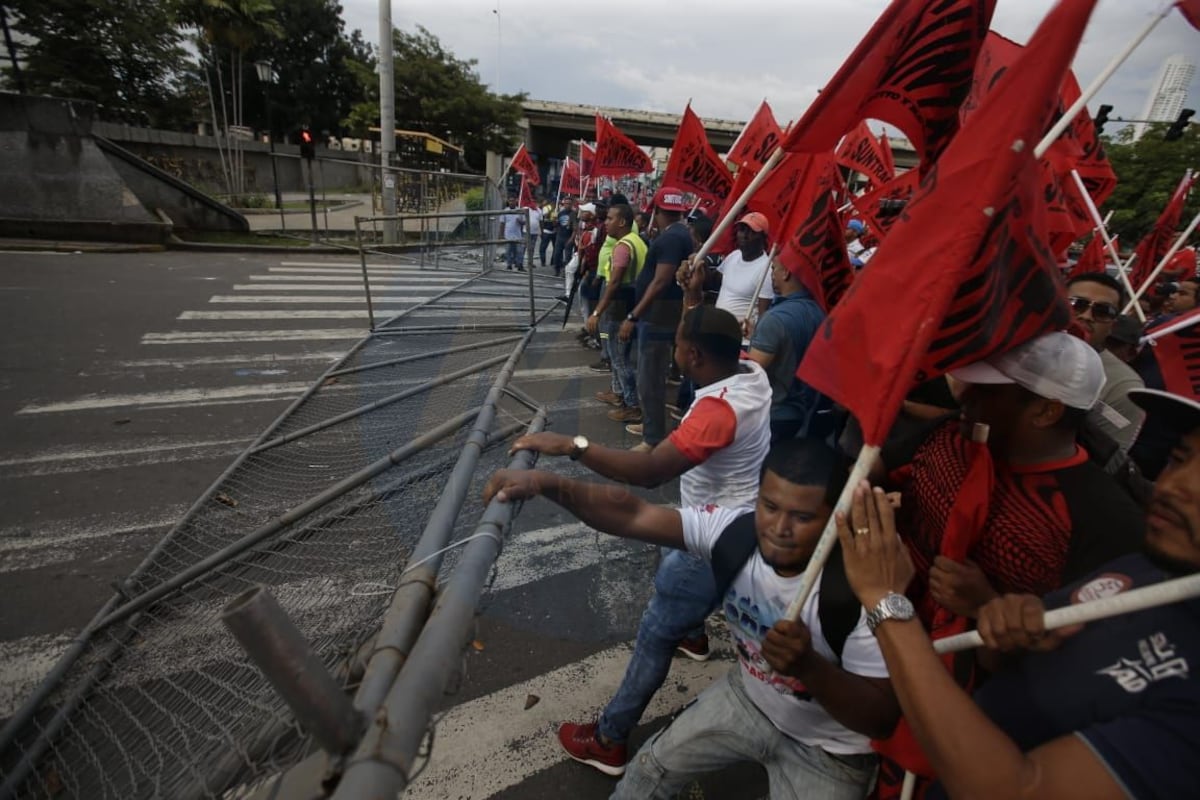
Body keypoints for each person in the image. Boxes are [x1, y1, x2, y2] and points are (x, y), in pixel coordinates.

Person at [836, 386, 1200, 799]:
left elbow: (1012, 790)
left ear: (1047, 410)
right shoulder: (1154, 564)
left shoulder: (1112, 522)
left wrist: (885, 600)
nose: (1174, 487)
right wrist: (1002, 620)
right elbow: (1016, 661)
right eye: (1179, 459)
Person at [485, 438, 898, 797]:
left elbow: (880, 719)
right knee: (649, 771)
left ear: (835, 519)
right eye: (769, 506)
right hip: (749, 699)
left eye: (803, 517)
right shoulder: (735, 532)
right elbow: (633, 514)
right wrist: (547, 484)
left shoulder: (861, 588)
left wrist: (810, 667)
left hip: (830, 752)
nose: (779, 528)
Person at [511, 305, 771, 776]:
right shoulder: (751, 373)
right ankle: (691, 633)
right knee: (674, 602)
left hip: (708, 541)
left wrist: (574, 446)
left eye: (677, 344)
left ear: (692, 354)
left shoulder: (718, 411)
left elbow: (650, 473)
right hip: (731, 521)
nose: (672, 351)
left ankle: (610, 738)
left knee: (653, 634)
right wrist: (692, 293)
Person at [621, 187, 692, 451]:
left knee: (650, 378)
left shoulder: (671, 239)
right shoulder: (675, 235)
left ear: (660, 212)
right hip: (662, 316)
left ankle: (652, 438)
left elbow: (660, 281)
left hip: (657, 317)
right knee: (652, 375)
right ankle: (652, 423)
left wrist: (633, 314)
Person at [747, 255, 827, 443]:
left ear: (786, 273)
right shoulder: (819, 312)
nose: (772, 274)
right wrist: (756, 336)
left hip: (774, 414)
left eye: (774, 268)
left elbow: (751, 372)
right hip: (806, 415)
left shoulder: (774, 319)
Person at [1066, 273, 1146, 452]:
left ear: (1113, 324)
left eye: (1103, 311)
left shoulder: (1122, 386)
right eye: (1076, 304)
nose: (1086, 316)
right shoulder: (1018, 346)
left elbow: (1108, 460)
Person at [590, 203, 646, 424]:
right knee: (617, 356)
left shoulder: (623, 246)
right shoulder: (637, 241)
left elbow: (613, 284)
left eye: (610, 218)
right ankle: (618, 394)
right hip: (630, 304)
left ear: (622, 222)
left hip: (619, 308)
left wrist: (596, 312)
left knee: (620, 359)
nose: (606, 222)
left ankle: (632, 405)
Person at [709, 212, 774, 341]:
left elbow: (763, 316)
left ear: (763, 238)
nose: (744, 235)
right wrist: (700, 266)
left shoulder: (766, 269)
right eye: (742, 230)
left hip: (740, 340)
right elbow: (714, 282)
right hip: (718, 333)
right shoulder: (734, 256)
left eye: (751, 232)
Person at [552, 196, 577, 277]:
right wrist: (554, 221)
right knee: (557, 255)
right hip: (560, 236)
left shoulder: (574, 214)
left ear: (572, 204)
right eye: (566, 204)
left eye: (569, 204)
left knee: (568, 257)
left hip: (568, 237)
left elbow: (575, 229)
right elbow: (556, 226)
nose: (567, 205)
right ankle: (557, 270)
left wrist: (571, 239)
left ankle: (565, 271)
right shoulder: (560, 213)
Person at [501, 195, 525, 271]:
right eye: (510, 201)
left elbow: (524, 222)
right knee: (508, 251)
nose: (511, 202)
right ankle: (509, 265)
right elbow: (502, 223)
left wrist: (520, 221)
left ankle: (520, 265)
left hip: (517, 235)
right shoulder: (505, 211)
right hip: (508, 235)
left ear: (516, 201)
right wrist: (501, 235)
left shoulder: (519, 211)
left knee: (519, 251)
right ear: (508, 202)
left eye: (513, 201)